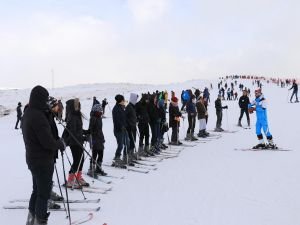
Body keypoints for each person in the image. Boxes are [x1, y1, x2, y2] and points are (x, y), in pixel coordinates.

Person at [22, 85, 65, 225]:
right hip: (42, 161)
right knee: (43, 194)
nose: (47, 101)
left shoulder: (29, 112)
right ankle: (39, 221)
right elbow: (47, 142)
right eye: (45, 98)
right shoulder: (38, 116)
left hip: (34, 159)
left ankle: (31, 220)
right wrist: (60, 143)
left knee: (37, 191)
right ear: (40, 98)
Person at [65, 98, 89, 188]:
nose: (78, 106)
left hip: (79, 141)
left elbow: (78, 130)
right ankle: (70, 180)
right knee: (77, 161)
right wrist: (82, 137)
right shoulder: (71, 116)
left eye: (79, 104)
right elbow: (72, 131)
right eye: (77, 105)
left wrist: (85, 132)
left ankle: (78, 178)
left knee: (81, 160)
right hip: (74, 142)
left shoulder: (77, 115)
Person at [87, 103, 107, 178]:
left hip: (100, 138)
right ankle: (91, 169)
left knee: (101, 154)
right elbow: (91, 130)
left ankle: (98, 168)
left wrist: (102, 138)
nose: (101, 112)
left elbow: (100, 130)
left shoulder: (99, 118)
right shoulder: (93, 118)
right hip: (95, 139)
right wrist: (91, 139)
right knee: (94, 154)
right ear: (95, 111)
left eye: (101, 111)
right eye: (99, 111)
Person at [112, 94, 130, 166]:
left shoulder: (121, 107)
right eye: (123, 100)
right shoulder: (115, 109)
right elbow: (116, 121)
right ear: (120, 101)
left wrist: (126, 125)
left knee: (127, 143)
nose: (124, 101)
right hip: (118, 130)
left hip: (124, 129)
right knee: (120, 145)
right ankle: (117, 157)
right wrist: (121, 126)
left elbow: (124, 118)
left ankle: (125, 157)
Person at [125, 93, 139, 161]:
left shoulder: (133, 106)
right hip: (129, 127)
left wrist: (136, 120)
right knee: (131, 140)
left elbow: (133, 116)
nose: (136, 100)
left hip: (133, 126)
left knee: (134, 140)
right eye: (135, 99)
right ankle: (129, 154)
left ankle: (132, 152)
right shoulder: (128, 107)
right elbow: (125, 117)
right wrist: (129, 124)